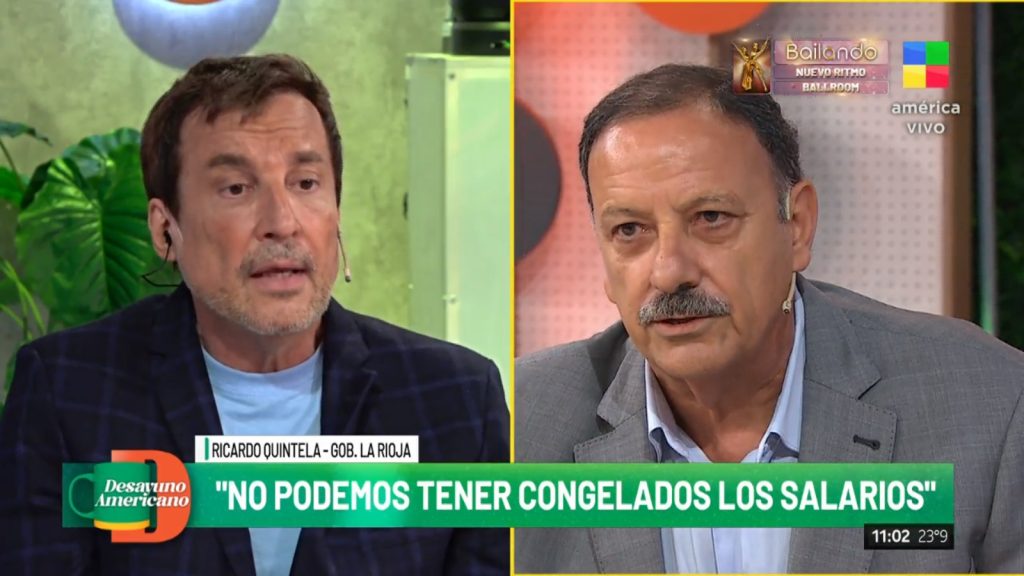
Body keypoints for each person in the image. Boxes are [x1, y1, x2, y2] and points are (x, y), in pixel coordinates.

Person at [0, 54, 509, 575]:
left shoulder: (456, 399)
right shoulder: (68, 391)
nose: (282, 222)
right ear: (165, 229)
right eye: (236, 188)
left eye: (305, 183)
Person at [514, 64, 1023, 574]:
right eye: (629, 230)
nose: (669, 272)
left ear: (797, 226)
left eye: (711, 218)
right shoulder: (520, 425)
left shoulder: (987, 404)